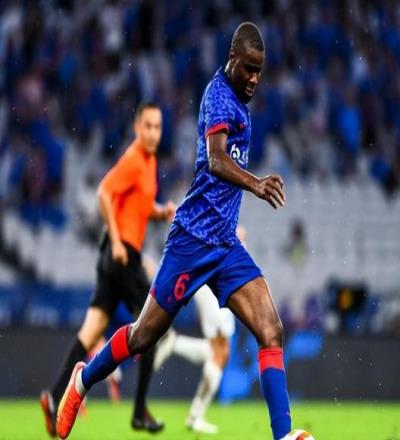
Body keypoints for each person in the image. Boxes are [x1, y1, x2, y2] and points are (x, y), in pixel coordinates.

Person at [57, 22, 308, 440]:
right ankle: (82, 381)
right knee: (142, 337)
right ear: (232, 58)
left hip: (224, 244)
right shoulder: (219, 96)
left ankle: (283, 436)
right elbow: (216, 159)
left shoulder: (240, 101)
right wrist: (256, 183)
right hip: (191, 241)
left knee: (271, 329)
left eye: (259, 71)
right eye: (248, 68)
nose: (254, 79)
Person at [40, 103, 175, 437]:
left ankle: (54, 396)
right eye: (147, 126)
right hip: (122, 255)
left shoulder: (149, 162)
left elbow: (138, 205)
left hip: (111, 259)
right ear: (136, 127)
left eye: (157, 127)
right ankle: (139, 410)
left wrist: (160, 212)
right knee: (153, 324)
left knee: (91, 331)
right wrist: (116, 241)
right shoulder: (134, 159)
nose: (153, 133)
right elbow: (104, 192)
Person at [152, 226, 248, 434]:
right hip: (212, 282)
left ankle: (174, 343)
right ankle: (196, 416)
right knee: (220, 352)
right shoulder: (210, 222)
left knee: (220, 352)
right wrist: (235, 235)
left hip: (213, 282)